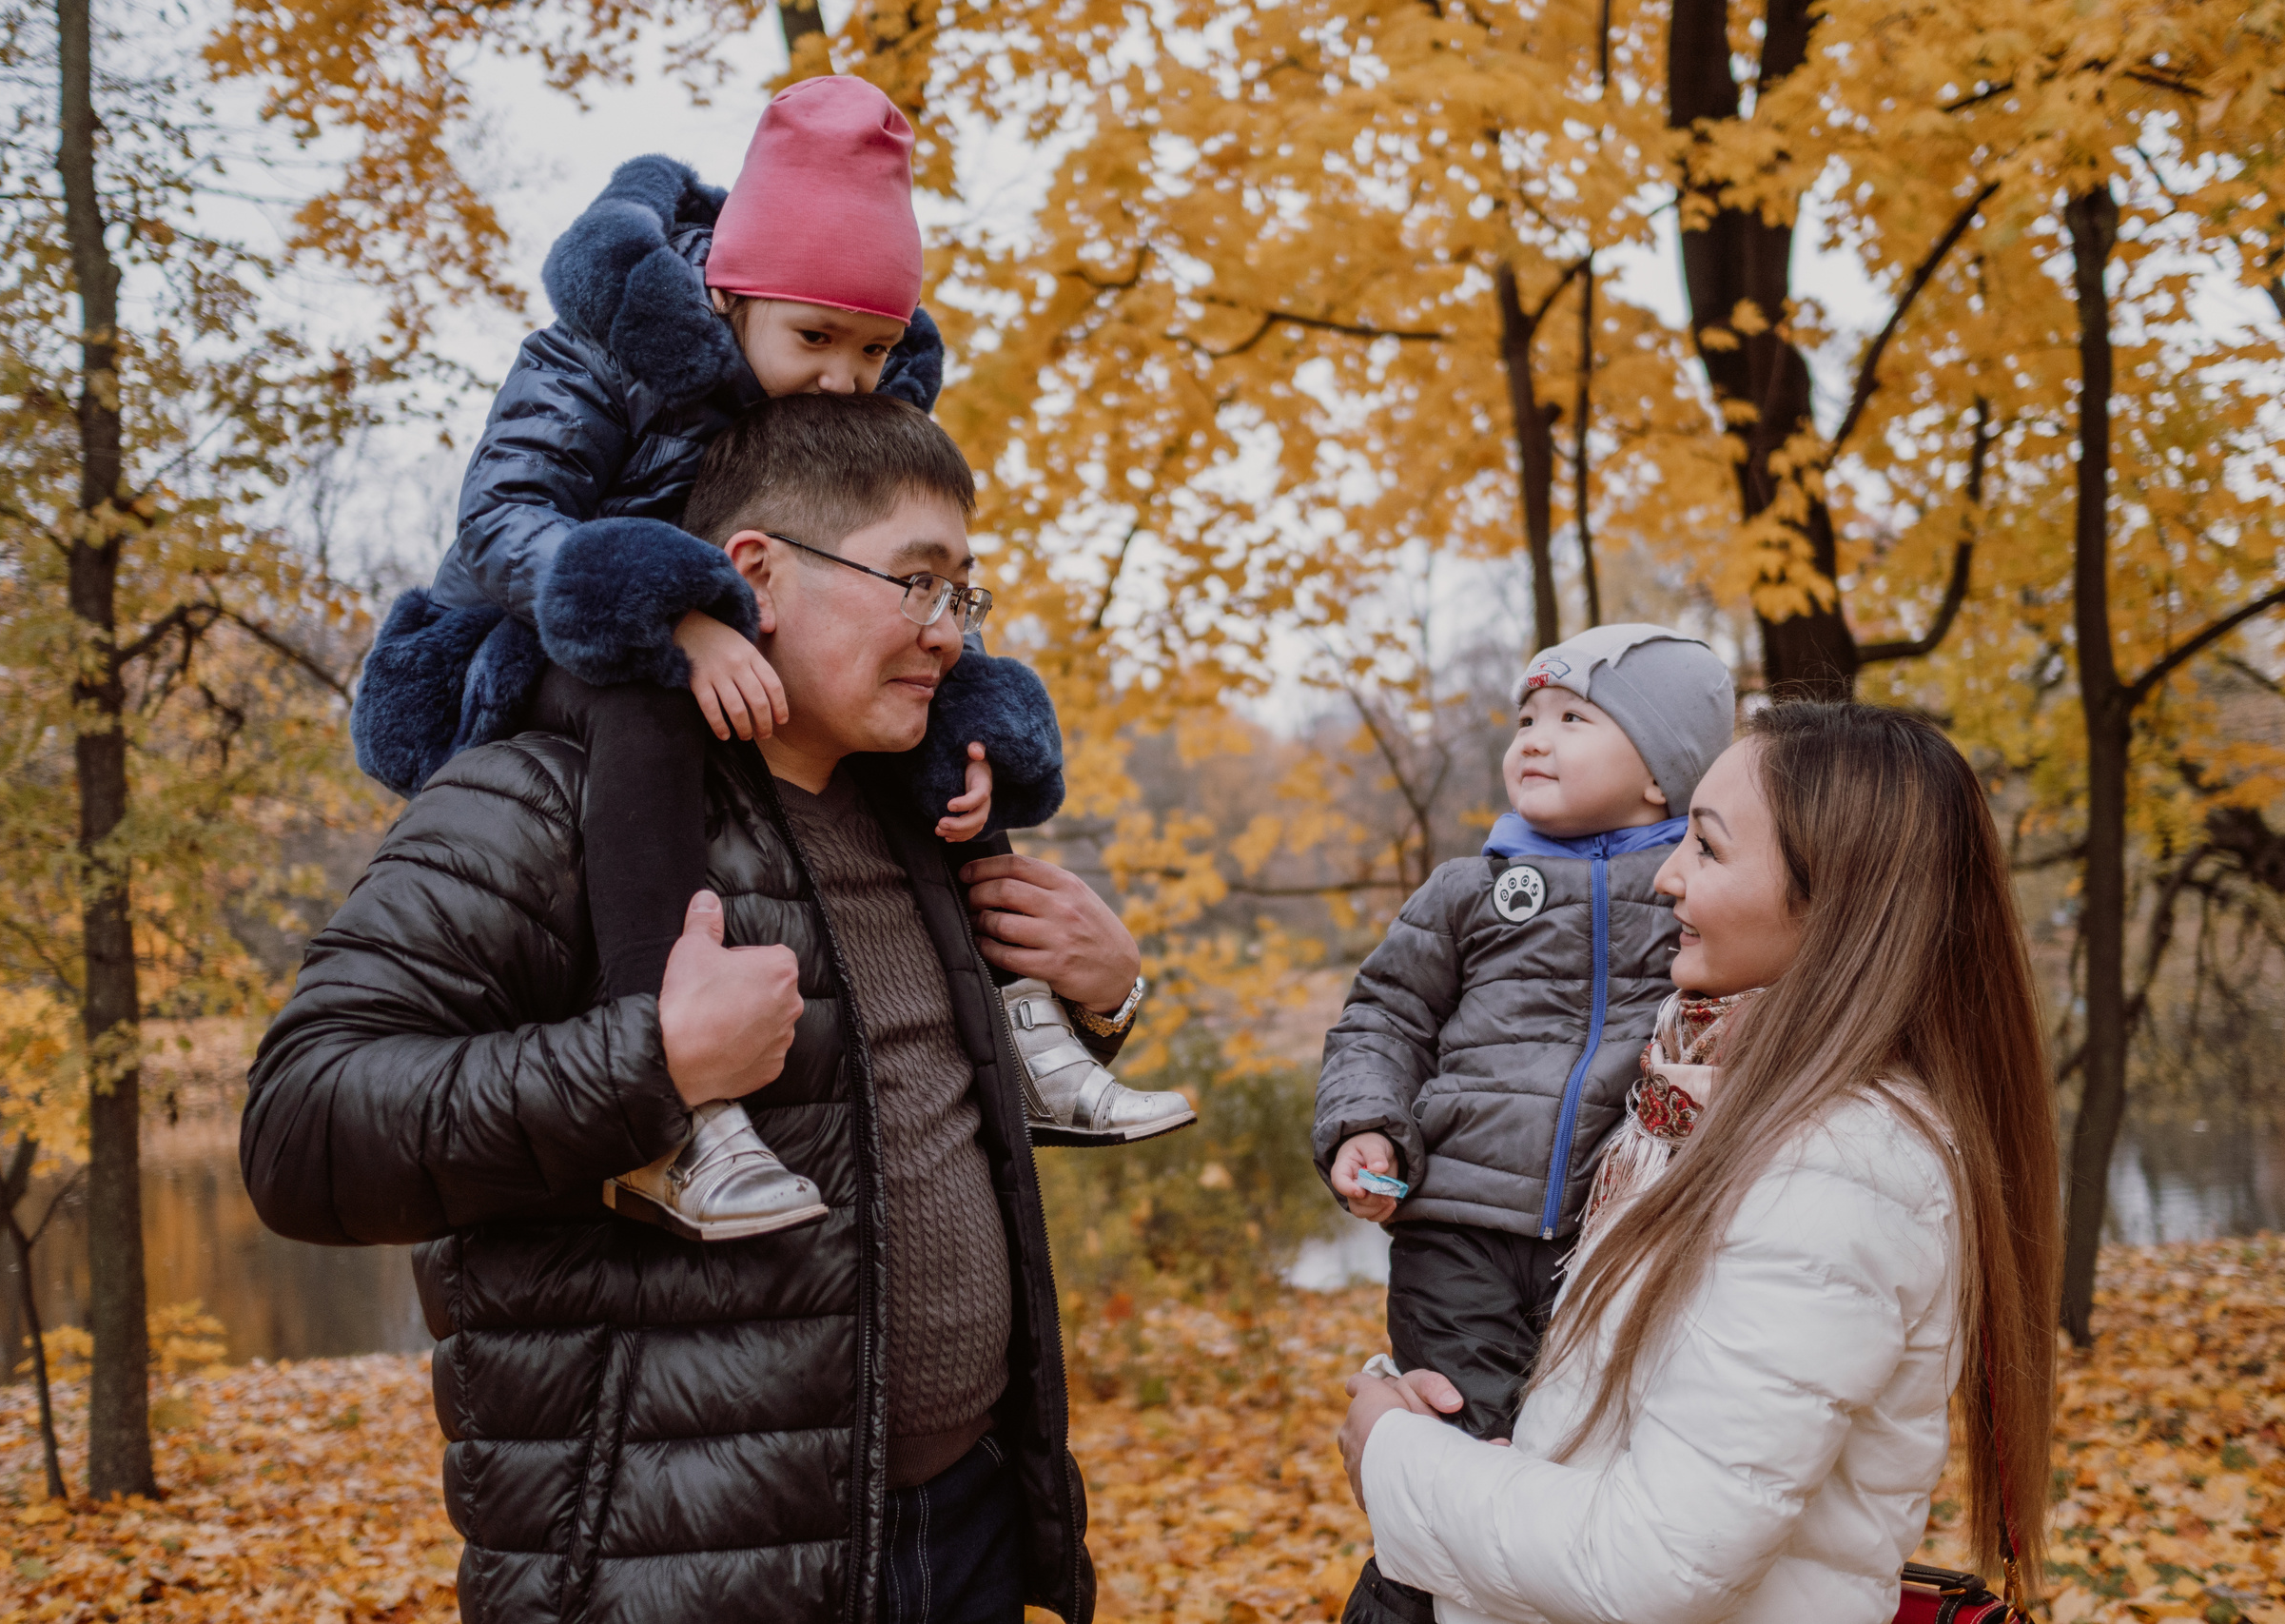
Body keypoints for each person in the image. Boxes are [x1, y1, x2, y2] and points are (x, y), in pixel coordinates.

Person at [244, 394, 1136, 1623]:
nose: (950, 633)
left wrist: (1101, 999)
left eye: (965, 592)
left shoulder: (922, 824)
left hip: (958, 1529)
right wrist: (652, 1061)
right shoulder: (539, 798)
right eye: (917, 581)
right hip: (685, 1571)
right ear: (756, 572)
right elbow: (301, 1129)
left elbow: (896, 1132)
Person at [347, 76, 1174, 1243]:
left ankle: (1030, 1027)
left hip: (732, 640)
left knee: (938, 697)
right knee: (641, 704)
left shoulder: (847, 416)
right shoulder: (601, 351)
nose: (846, 378)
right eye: (817, 339)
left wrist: (974, 753)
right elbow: (500, 522)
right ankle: (679, 1112)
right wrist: (669, 618)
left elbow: (885, 576)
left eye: (876, 348)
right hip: (528, 633)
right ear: (729, 296)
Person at [1335, 702, 2061, 1624]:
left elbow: (1656, 1564)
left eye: (1707, 850)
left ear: (1833, 904)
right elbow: (1617, 1431)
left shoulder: (1838, 1169)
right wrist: (1441, 1420)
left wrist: (1396, 1459)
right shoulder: (1702, 1093)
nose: (1665, 879)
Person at [1311, 625, 1734, 1624]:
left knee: (1576, 1457)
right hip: (1457, 1224)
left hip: (1613, 1237)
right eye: (1526, 719)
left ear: (1663, 778)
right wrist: (1365, 1126)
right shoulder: (1468, 890)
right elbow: (1381, 1018)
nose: (1533, 739)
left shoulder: (1693, 896)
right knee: (1458, 1445)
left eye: (1574, 720)